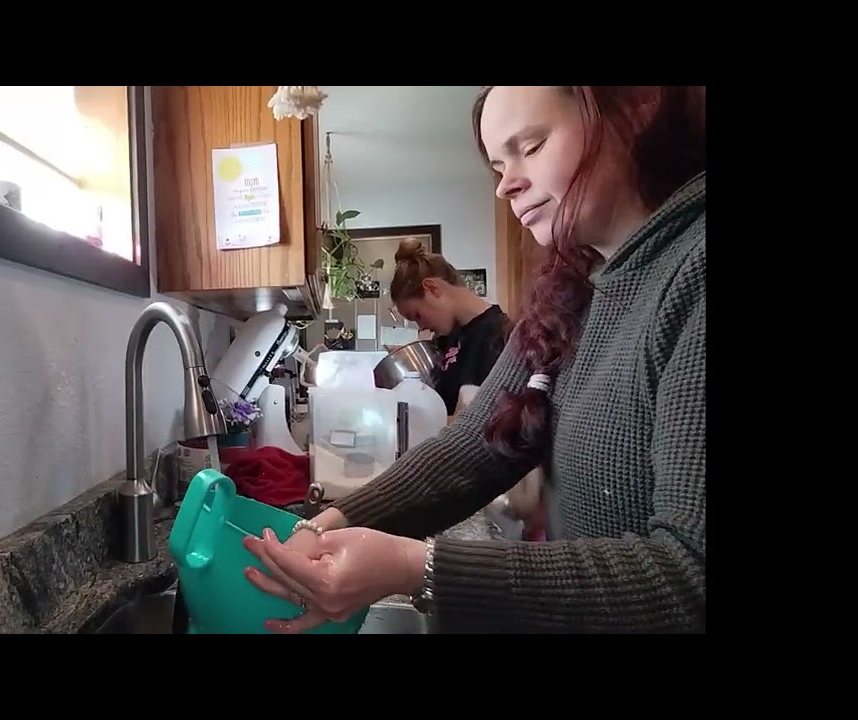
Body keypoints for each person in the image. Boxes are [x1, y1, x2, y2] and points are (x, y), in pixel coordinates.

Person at [242, 85, 706, 634]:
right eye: (497, 165)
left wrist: (418, 568)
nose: (507, 184)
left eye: (530, 147)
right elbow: (477, 447)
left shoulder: (692, 272)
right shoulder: (575, 291)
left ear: (636, 104)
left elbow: (687, 576)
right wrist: (328, 525)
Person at [386, 241, 513, 416]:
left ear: (432, 288)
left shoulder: (501, 338)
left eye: (417, 315)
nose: (421, 326)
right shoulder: (448, 337)